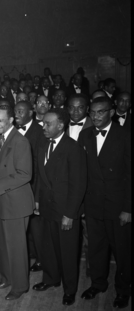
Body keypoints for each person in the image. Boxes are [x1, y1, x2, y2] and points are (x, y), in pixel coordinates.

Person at [78, 97, 131, 309]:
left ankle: (123, 290)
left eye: (101, 112)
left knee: (123, 252)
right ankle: (98, 283)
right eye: (93, 112)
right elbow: (82, 173)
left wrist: (128, 208)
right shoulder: (85, 135)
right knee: (96, 249)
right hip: (93, 204)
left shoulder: (125, 136)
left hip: (117, 206)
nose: (96, 116)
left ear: (111, 112)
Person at [33, 109, 87, 306]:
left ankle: (69, 289)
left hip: (65, 211)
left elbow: (78, 184)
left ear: (60, 125)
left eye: (48, 124)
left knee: (68, 252)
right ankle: (51, 279)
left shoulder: (73, 148)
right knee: (48, 248)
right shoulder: (43, 142)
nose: (44, 127)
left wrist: (70, 214)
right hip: (47, 207)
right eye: (43, 123)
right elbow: (40, 175)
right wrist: (38, 200)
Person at [0, 105, 34, 300]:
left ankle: (20, 286)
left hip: (16, 203)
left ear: (11, 120)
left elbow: (24, 174)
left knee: (17, 247)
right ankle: (6, 278)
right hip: (3, 201)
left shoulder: (20, 141)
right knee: (3, 244)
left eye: (0, 121)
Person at [14, 101, 46, 272]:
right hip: (16, 187)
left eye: (21, 111)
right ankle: (32, 254)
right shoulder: (11, 131)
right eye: (15, 111)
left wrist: (38, 196)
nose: (17, 114)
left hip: (33, 188)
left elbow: (41, 169)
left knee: (37, 226)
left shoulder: (41, 132)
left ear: (31, 113)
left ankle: (42, 259)